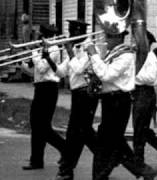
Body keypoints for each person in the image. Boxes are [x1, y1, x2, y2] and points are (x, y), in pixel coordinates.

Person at [86, 30, 157, 180]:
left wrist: (93, 54)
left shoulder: (126, 55)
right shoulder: (113, 53)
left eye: (109, 36)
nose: (106, 39)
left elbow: (107, 74)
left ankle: (103, 174)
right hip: (110, 100)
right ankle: (141, 170)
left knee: (108, 141)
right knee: (113, 141)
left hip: (118, 101)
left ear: (119, 37)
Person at [44, 20, 99, 180]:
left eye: (71, 32)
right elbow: (62, 73)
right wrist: (48, 59)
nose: (68, 35)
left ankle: (67, 169)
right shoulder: (74, 49)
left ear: (78, 32)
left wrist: (69, 51)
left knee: (75, 134)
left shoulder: (90, 48)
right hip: (77, 96)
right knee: (83, 133)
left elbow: (79, 69)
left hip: (87, 95)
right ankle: (107, 158)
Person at [22, 23, 66, 170]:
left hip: (49, 89)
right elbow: (32, 72)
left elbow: (41, 68)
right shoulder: (40, 49)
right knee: (36, 125)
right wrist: (24, 61)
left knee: (42, 127)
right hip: (40, 88)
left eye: (39, 34)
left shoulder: (53, 49)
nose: (37, 36)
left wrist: (33, 54)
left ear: (44, 35)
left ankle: (65, 148)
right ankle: (36, 161)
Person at [132, 40, 157, 165]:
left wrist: (133, 75)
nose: (134, 43)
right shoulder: (135, 55)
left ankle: (138, 161)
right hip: (136, 92)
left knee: (139, 129)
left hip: (145, 93)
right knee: (141, 128)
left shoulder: (150, 57)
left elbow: (152, 78)